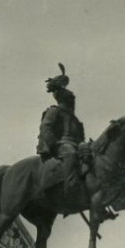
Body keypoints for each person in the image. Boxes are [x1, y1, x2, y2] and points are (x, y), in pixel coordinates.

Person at [37, 64, 88, 194]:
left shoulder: (75, 119)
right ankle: (70, 185)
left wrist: (84, 145)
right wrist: (54, 143)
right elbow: (46, 127)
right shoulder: (54, 111)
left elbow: (81, 137)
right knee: (70, 153)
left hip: (75, 144)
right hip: (61, 145)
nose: (73, 101)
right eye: (70, 99)